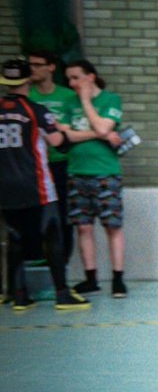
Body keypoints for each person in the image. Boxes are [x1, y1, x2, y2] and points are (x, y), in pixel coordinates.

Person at [0, 59, 90, 311]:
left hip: (5, 185)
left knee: (15, 237)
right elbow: (57, 141)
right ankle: (62, 293)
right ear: (28, 80)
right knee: (52, 236)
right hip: (35, 183)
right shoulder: (36, 110)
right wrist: (63, 130)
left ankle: (18, 295)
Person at [62, 60, 127, 298]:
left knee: (113, 226)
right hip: (76, 171)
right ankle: (91, 278)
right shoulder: (70, 102)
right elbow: (66, 134)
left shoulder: (110, 100)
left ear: (90, 77)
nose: (72, 83)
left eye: (76, 77)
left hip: (105, 172)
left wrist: (87, 102)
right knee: (83, 227)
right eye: (69, 79)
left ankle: (118, 278)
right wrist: (102, 135)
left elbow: (103, 127)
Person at [27, 50, 79, 263]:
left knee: (63, 217)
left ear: (51, 67)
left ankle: (62, 266)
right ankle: (35, 264)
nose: (33, 69)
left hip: (62, 163)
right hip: (34, 166)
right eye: (30, 65)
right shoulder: (27, 97)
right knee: (34, 216)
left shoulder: (67, 96)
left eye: (38, 65)